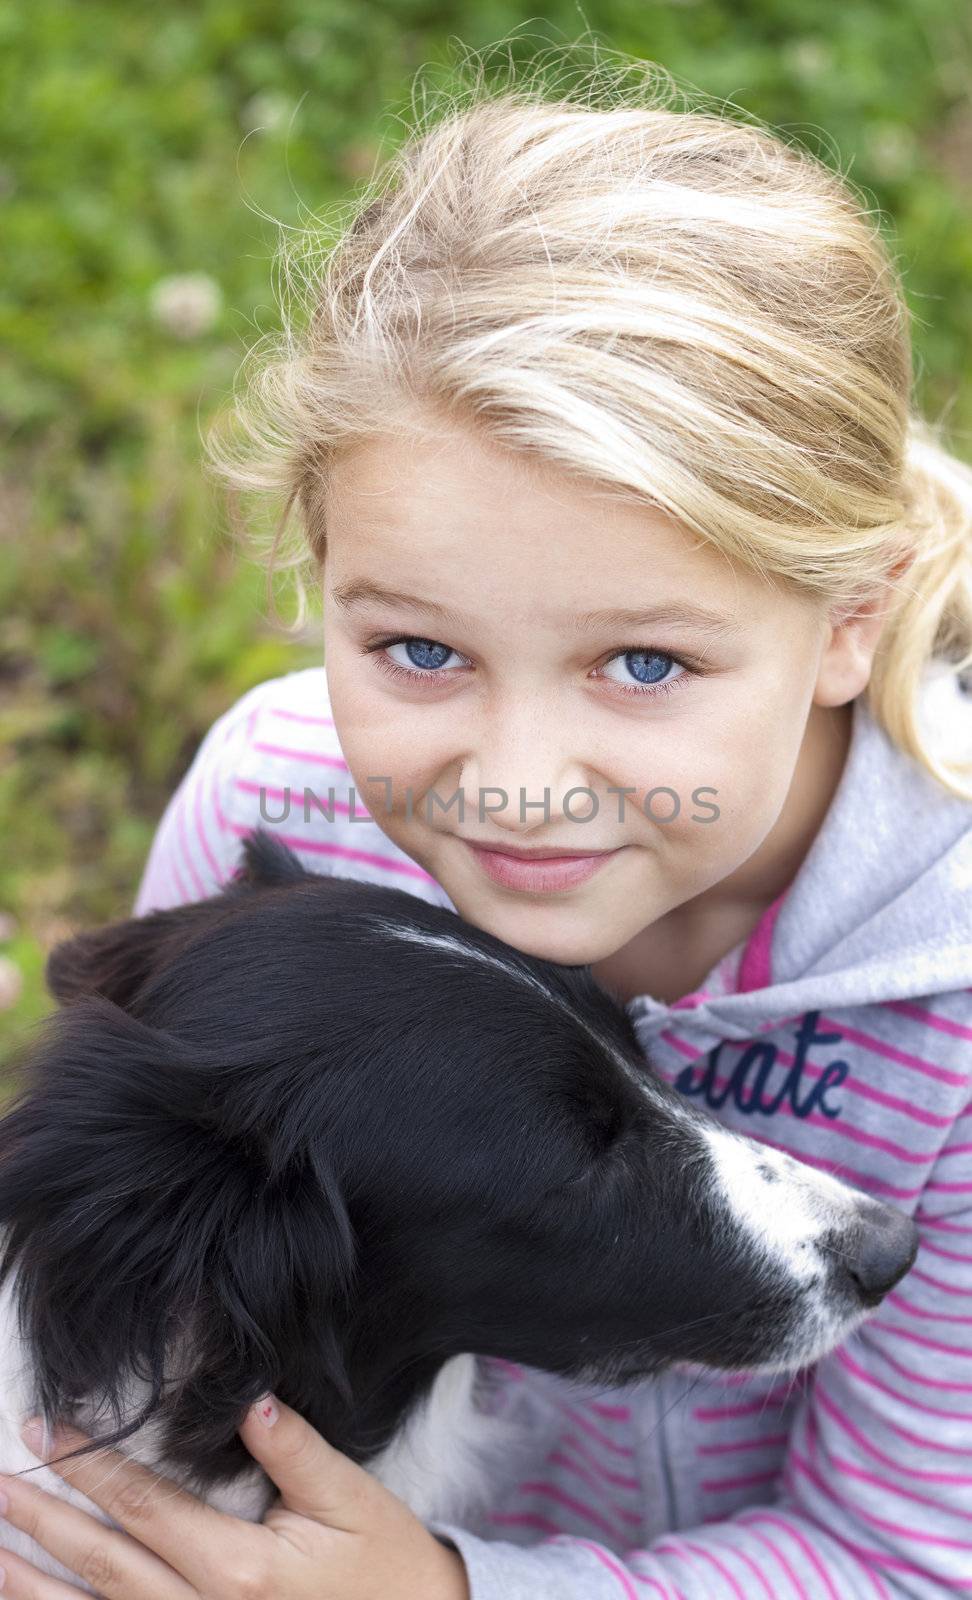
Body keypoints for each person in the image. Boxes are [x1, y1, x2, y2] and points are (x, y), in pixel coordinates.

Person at [4, 53, 972, 1600]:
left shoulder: (956, 996)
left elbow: (916, 1560)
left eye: (644, 663)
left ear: (849, 622)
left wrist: (450, 1592)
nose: (519, 779)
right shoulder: (277, 802)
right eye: (419, 651)